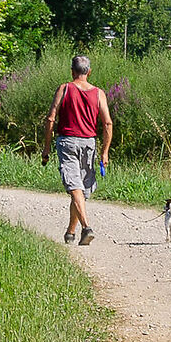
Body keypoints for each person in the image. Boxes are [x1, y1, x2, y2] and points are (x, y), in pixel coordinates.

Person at [44, 55, 112, 246]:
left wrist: (46, 149)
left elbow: (50, 119)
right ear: (89, 72)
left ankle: (86, 227)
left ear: (72, 71)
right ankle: (70, 232)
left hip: (67, 142)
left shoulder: (64, 89)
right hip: (89, 143)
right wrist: (105, 152)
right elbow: (107, 123)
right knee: (80, 189)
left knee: (76, 188)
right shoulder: (99, 93)